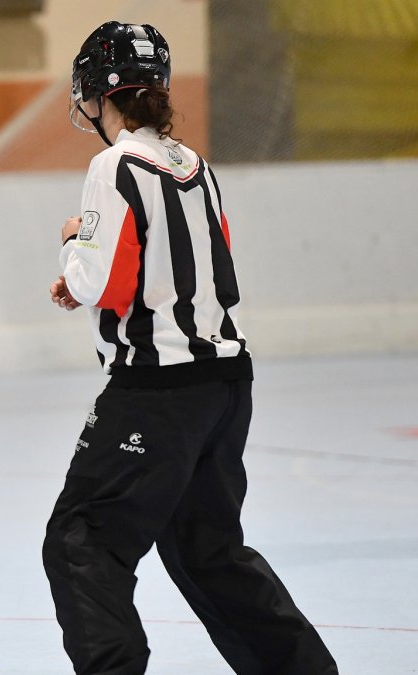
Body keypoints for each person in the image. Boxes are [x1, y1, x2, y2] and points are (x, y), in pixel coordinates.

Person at [43, 21, 339, 675]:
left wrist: (74, 242)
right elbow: (204, 271)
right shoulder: (192, 164)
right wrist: (89, 262)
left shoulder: (112, 164)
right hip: (226, 383)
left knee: (80, 539)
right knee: (208, 549)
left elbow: (98, 280)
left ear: (97, 91)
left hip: (157, 393)